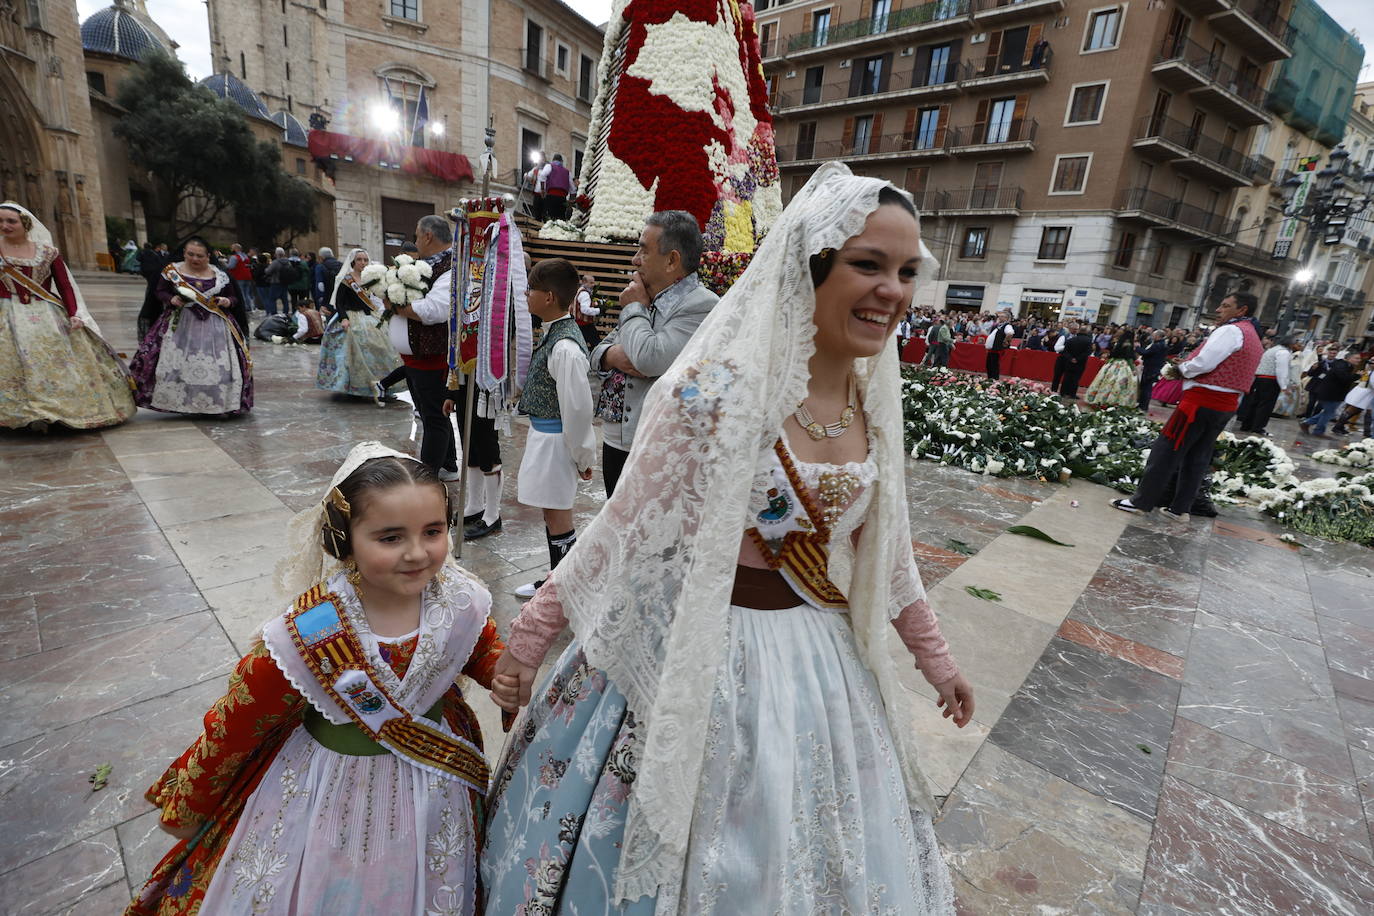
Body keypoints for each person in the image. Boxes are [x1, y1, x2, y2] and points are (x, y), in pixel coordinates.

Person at [482, 164, 969, 914]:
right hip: (695, 656)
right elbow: (621, 528)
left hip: (818, 662)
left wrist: (936, 661)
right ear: (811, 268)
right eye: (867, 264)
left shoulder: (873, 401)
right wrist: (527, 642)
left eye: (906, 272)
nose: (892, 291)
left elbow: (887, 552)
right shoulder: (709, 391)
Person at [125, 445, 506, 916]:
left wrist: (500, 675)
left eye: (433, 531)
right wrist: (190, 803)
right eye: (390, 538)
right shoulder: (309, 629)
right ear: (344, 539)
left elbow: (478, 648)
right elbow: (238, 722)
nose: (417, 553)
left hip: (437, 780)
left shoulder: (461, 597)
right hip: (327, 791)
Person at [591, 211, 720, 496]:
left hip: (657, 445)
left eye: (643, 250)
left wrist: (633, 310)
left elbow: (649, 359)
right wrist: (613, 356)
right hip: (618, 440)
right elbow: (598, 352)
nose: (634, 259)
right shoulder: (647, 296)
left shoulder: (700, 305)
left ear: (672, 260)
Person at [1113, 293, 1263, 521]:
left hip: (1201, 402)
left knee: (1166, 451)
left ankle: (1141, 502)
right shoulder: (1253, 335)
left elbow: (1205, 362)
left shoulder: (1231, 331)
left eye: (1225, 305)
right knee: (1198, 456)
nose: (1219, 310)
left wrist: (1181, 370)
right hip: (1225, 405)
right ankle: (1180, 508)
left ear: (1241, 310)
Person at [0, 201, 136, 431]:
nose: (5, 226)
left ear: (25, 223)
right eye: (0, 221)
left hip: (46, 314)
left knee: (54, 362)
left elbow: (64, 286)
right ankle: (17, 414)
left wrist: (74, 313)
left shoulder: (48, 253)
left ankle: (55, 411)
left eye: (11, 221)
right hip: (6, 313)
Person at [510, 258, 597, 599]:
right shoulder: (553, 335)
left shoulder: (565, 347)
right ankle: (556, 581)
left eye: (531, 289)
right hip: (544, 436)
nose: (526, 295)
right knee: (550, 513)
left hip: (557, 442)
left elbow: (577, 410)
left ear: (548, 297)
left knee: (559, 517)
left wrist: (582, 455)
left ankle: (564, 590)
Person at [129, 236, 253, 416]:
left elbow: (234, 298)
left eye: (200, 256)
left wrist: (226, 301)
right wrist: (171, 299)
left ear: (208, 256)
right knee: (178, 364)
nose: (195, 259)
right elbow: (159, 291)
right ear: (184, 253)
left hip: (216, 327)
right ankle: (182, 402)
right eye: (191, 254)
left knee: (218, 367)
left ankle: (218, 402)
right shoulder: (172, 271)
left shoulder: (221, 276)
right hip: (180, 325)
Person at [388, 216, 462, 481]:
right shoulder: (426, 264)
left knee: (433, 418)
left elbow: (435, 311)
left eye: (418, 235)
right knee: (431, 415)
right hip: (416, 358)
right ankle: (449, 465)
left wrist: (394, 306)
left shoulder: (450, 267)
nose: (416, 240)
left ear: (428, 236)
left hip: (433, 358)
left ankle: (425, 478)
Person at [316, 248, 399, 398]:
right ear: (353, 262)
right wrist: (344, 318)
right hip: (351, 316)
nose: (362, 262)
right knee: (353, 349)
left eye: (365, 260)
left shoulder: (371, 279)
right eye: (359, 260)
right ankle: (354, 386)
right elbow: (339, 303)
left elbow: (376, 299)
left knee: (382, 347)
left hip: (371, 317)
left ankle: (383, 384)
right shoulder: (346, 280)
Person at [1235, 334, 1296, 435]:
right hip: (1270, 380)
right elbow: (1281, 370)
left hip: (1260, 378)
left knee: (1255, 403)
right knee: (1266, 405)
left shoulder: (1272, 349)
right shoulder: (1283, 352)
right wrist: (1284, 386)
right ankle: (1258, 427)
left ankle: (1246, 425)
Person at [1301, 351, 1361, 439]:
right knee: (1329, 413)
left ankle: (1307, 423)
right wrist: (1357, 376)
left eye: (1359, 358)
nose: (1359, 360)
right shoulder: (1341, 365)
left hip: (1334, 394)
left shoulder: (1346, 365)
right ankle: (1318, 431)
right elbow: (1344, 378)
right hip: (1330, 393)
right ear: (1349, 358)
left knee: (1329, 413)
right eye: (1356, 358)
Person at [1083, 329, 1138, 408]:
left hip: (1113, 364)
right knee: (1121, 383)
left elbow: (1113, 354)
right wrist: (1133, 369)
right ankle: (1116, 401)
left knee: (1106, 381)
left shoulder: (1119, 343)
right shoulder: (1128, 345)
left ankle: (1100, 398)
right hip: (1123, 365)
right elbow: (1129, 358)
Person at [1055, 322, 1094, 398]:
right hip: (1080, 363)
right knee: (1076, 378)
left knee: (1067, 377)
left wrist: (1071, 358)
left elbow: (1065, 351)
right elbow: (1088, 352)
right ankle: (1072, 394)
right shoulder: (1089, 341)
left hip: (1070, 362)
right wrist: (1078, 359)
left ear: (1079, 331)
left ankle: (1063, 392)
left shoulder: (1071, 340)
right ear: (1086, 332)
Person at [1136, 329, 1169, 412]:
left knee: (1146, 387)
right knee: (1146, 387)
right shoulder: (1162, 344)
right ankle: (1142, 404)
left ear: (1158, 336)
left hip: (1151, 368)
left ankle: (1143, 406)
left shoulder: (1157, 345)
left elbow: (1146, 353)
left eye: (1154, 335)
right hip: (1154, 367)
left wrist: (1137, 348)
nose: (1152, 336)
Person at [539, 153, 572, 222]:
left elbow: (542, 176)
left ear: (553, 160)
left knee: (550, 217)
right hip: (562, 198)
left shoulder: (549, 166)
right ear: (562, 161)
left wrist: (542, 189)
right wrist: (570, 201)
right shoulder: (567, 172)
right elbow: (573, 188)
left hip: (551, 195)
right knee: (560, 219)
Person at [984, 308, 1015, 379]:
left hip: (997, 349)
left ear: (1006, 318)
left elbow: (1010, 333)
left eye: (1001, 316)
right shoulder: (998, 325)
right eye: (999, 316)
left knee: (994, 365)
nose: (999, 317)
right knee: (989, 365)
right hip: (992, 349)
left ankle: (994, 379)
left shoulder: (1007, 326)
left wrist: (1005, 341)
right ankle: (990, 378)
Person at [226, 242, 257, 314]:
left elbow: (230, 266)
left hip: (239, 277)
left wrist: (224, 263)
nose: (231, 249)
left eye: (232, 248)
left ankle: (244, 307)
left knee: (241, 293)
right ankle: (249, 307)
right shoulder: (245, 256)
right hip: (247, 276)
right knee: (247, 293)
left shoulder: (234, 257)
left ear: (235, 249)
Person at [573, 272, 602, 347]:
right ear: (584, 282)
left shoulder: (580, 291)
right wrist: (598, 310)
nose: (593, 285)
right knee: (596, 344)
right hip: (584, 324)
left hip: (580, 324)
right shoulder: (584, 294)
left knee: (582, 344)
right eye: (591, 283)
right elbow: (584, 309)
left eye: (593, 282)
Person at [264, 247, 293, 315]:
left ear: (277, 254)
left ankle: (274, 314)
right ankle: (285, 313)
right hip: (285, 283)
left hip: (275, 283)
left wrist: (266, 268)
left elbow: (268, 271)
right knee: (285, 299)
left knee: (272, 299)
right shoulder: (288, 262)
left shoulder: (276, 262)